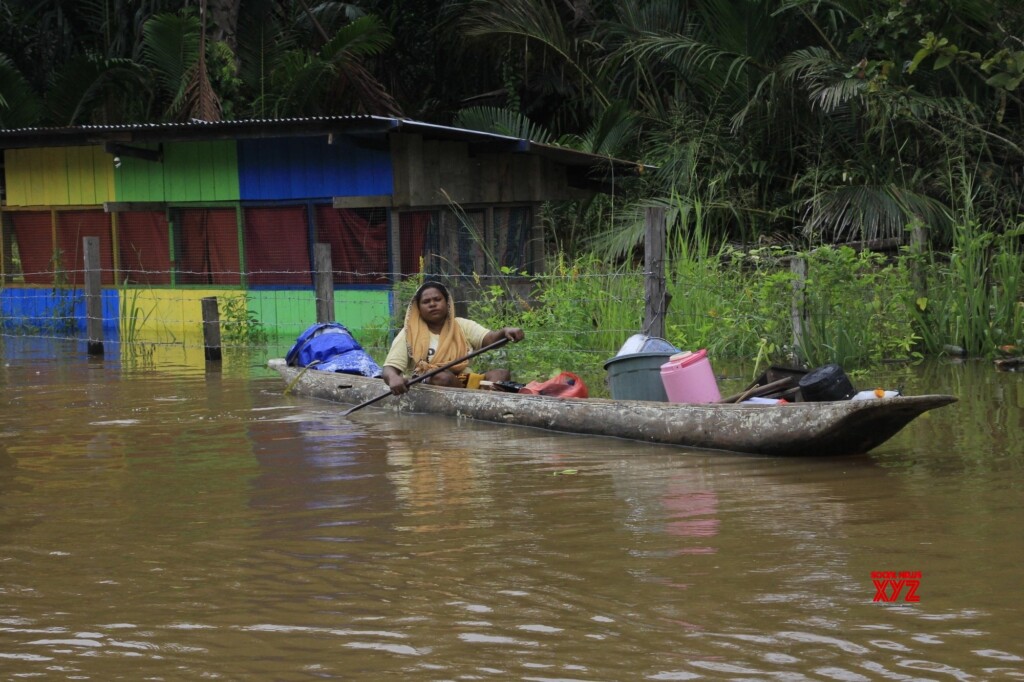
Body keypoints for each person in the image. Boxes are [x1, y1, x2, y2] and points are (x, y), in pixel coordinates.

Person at [381, 281, 525, 395]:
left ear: (447, 303)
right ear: (419, 308)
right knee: (441, 377)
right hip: (429, 383)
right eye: (426, 302)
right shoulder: (409, 333)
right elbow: (389, 368)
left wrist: (505, 331)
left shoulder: (462, 325)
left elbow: (490, 339)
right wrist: (394, 378)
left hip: (464, 381)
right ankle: (474, 400)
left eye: (437, 299)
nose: (432, 304)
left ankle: (486, 401)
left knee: (501, 374)